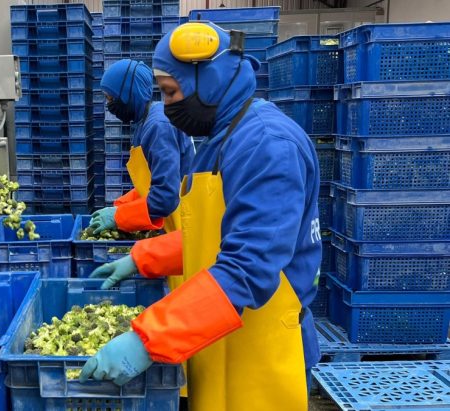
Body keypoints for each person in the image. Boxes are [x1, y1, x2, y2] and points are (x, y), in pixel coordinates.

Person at [82, 22, 322, 411]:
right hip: (225, 335)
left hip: (265, 351)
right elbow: (210, 237)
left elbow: (247, 268)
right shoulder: (224, 138)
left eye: (171, 92)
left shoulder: (266, 145)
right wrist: (143, 258)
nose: (167, 106)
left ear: (209, 79)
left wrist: (148, 338)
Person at [88, 60, 195, 285]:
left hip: (184, 224)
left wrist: (119, 217)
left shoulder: (159, 126)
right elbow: (153, 184)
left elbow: (165, 198)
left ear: (129, 93)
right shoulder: (145, 122)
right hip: (170, 225)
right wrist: (121, 205)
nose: (109, 105)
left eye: (111, 98)